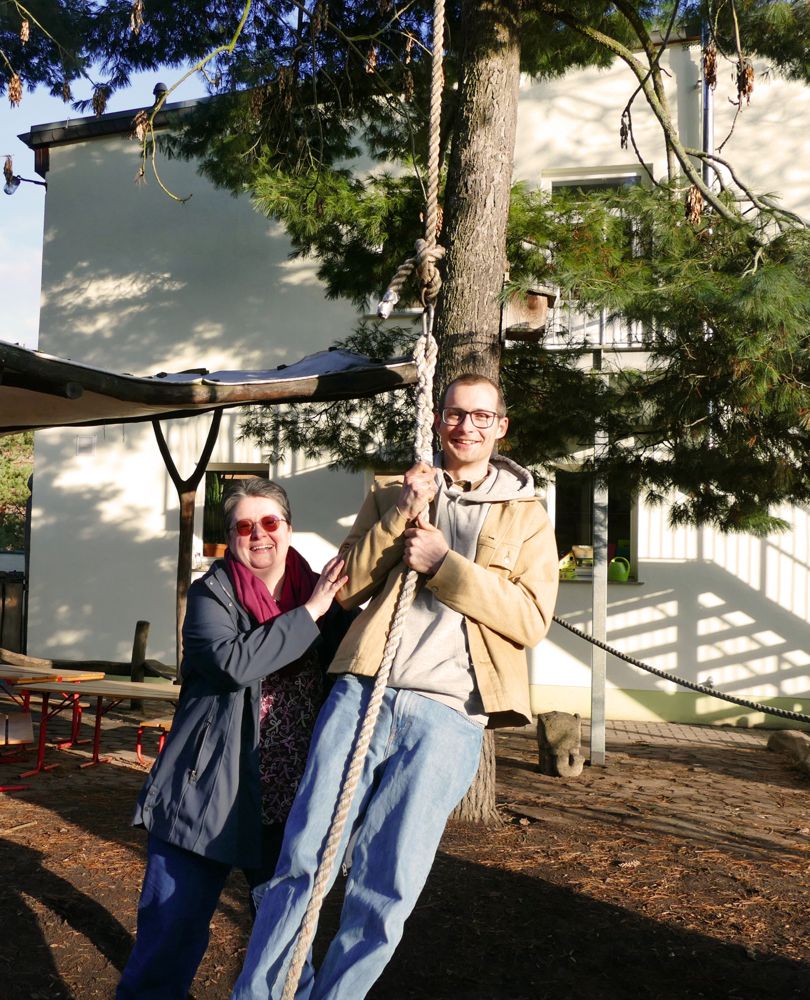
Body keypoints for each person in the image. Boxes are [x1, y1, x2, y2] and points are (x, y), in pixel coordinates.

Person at [232, 374, 559, 1000]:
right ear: (438, 421)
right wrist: (404, 513)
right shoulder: (392, 493)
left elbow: (530, 619)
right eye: (455, 414)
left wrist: (445, 565)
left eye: (481, 417)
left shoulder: (528, 516)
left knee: (387, 887)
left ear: (501, 427)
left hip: (450, 715)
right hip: (363, 694)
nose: (467, 426)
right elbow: (347, 587)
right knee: (303, 860)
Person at [117, 478, 352, 1000]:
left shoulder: (319, 591)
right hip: (206, 796)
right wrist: (311, 612)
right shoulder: (211, 596)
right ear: (231, 539)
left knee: (285, 945)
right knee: (169, 934)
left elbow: (352, 662)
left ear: (288, 529)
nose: (259, 535)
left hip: (287, 803)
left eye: (270, 522)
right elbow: (232, 663)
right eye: (245, 526)